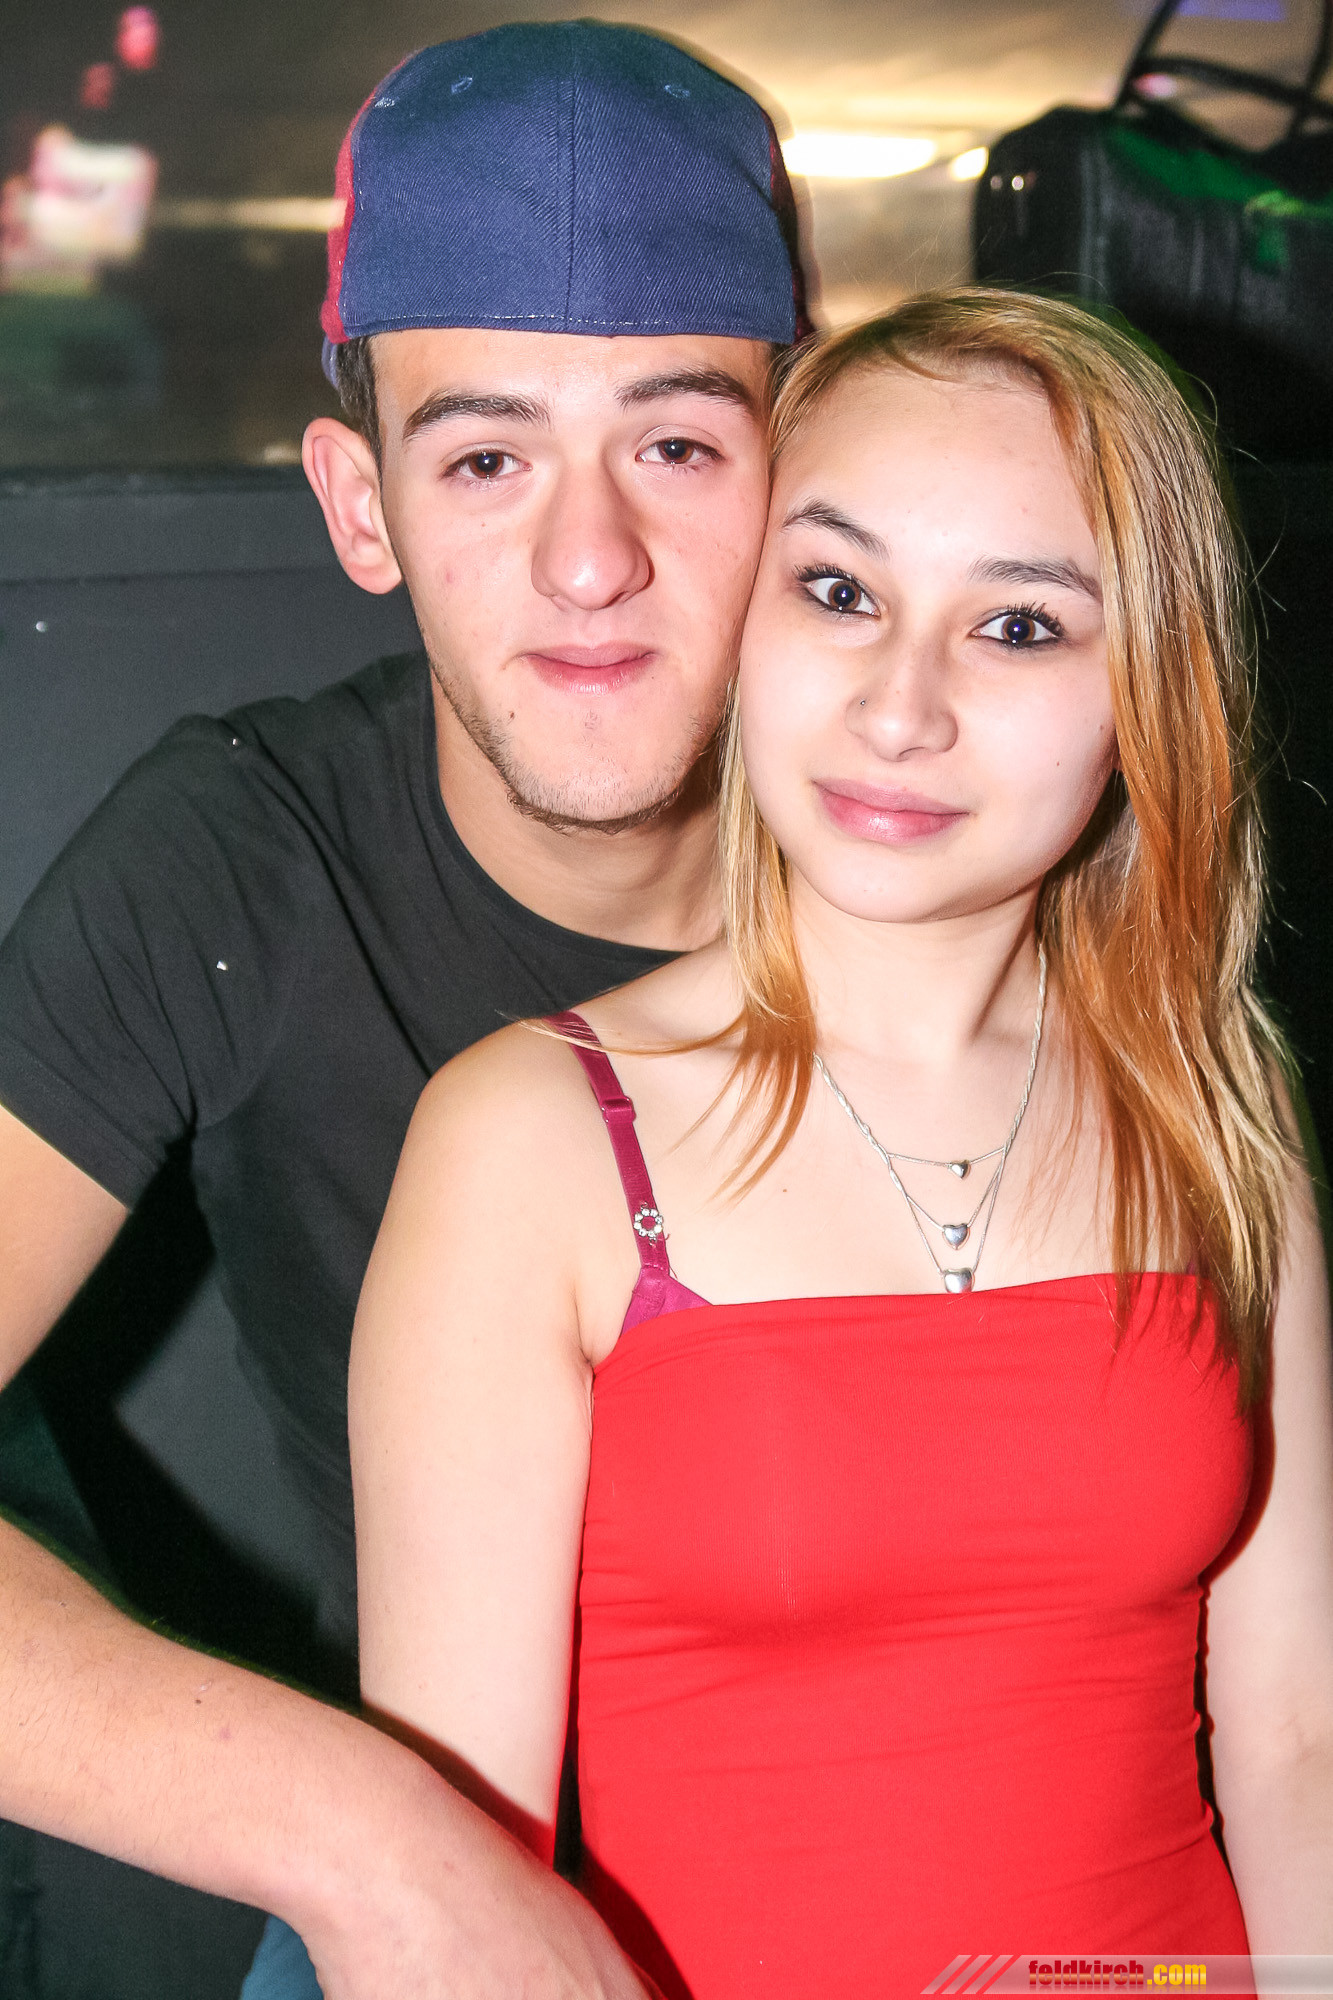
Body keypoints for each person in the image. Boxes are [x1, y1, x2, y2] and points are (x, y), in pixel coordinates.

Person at [350, 290, 1333, 1997]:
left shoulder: (1210, 1099)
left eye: (1017, 626)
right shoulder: (530, 1140)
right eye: (837, 592)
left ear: (1147, 694)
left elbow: (1299, 1743)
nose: (900, 707)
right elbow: (446, 1895)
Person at [0, 21, 808, 1996]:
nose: (590, 559)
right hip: (455, 1860)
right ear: (360, 507)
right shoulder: (245, 858)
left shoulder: (990, 837)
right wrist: (371, 1849)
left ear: (808, 473)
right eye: (486, 456)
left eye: (676, 442)